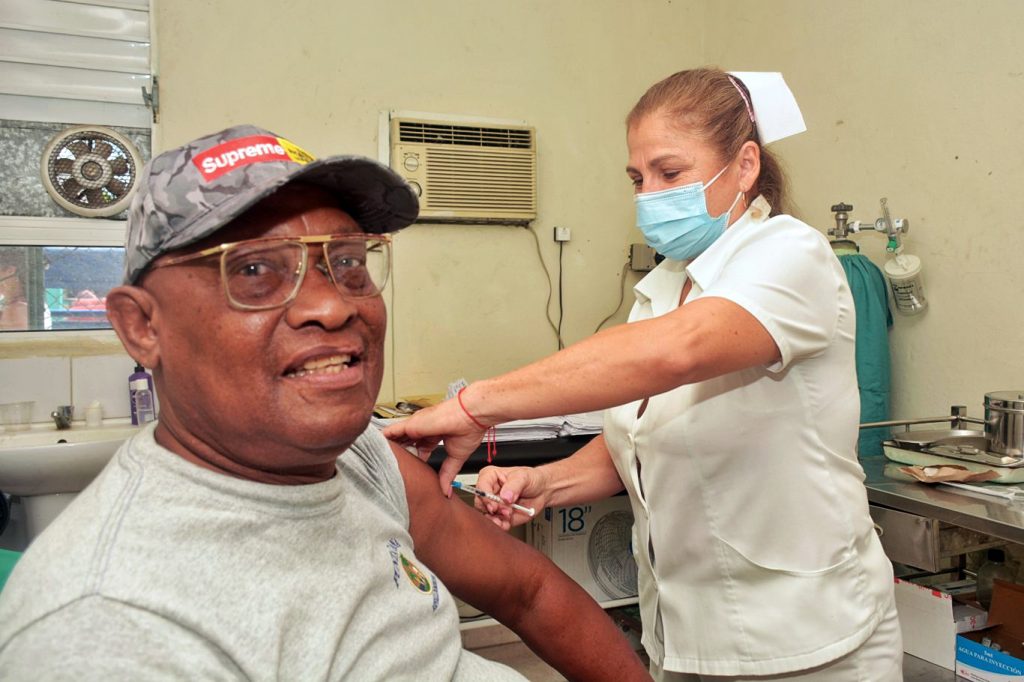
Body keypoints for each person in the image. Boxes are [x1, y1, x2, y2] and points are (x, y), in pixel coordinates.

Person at [0, 124, 649, 681]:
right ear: (143, 327)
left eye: (348, 262)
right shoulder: (109, 622)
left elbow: (530, 590)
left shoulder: (363, 459)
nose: (333, 304)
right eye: (253, 270)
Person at [385, 69, 903, 681]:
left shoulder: (792, 257)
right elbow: (643, 436)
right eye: (638, 178)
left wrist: (475, 406)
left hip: (805, 637)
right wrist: (546, 483)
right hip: (681, 633)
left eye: (670, 173)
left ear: (744, 166)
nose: (650, 195)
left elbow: (673, 352)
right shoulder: (662, 289)